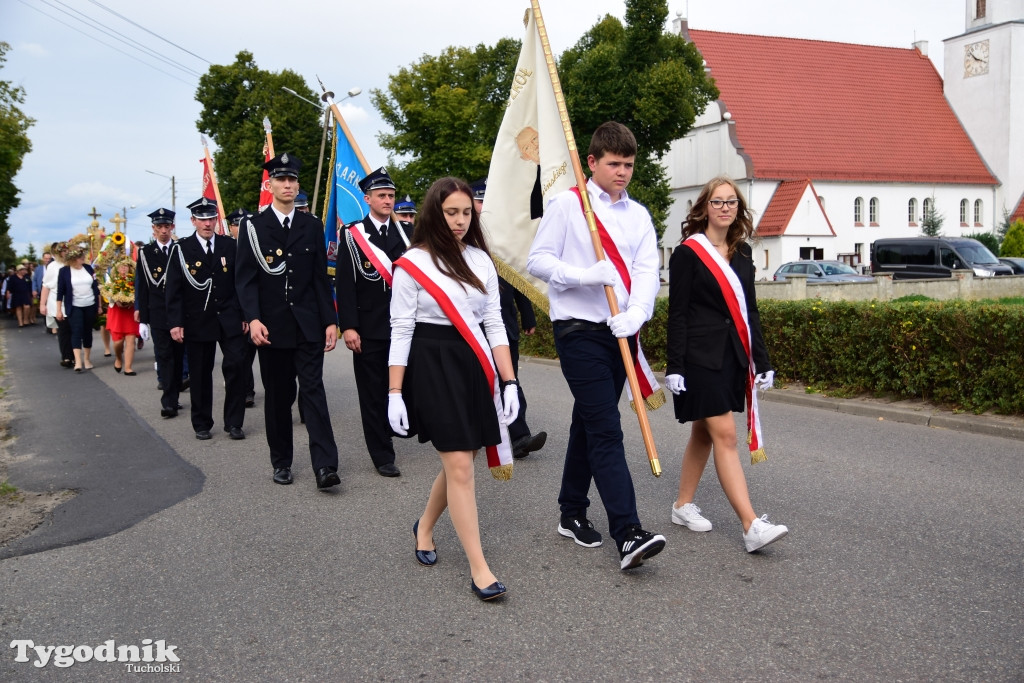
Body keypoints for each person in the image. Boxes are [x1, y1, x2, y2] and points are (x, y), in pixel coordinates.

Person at [526, 121, 666, 571]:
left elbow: (647, 270)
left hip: (620, 332)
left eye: (628, 164)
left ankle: (571, 510)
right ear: (592, 162)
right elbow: (538, 260)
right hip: (578, 330)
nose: (622, 172)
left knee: (589, 424)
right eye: (614, 164)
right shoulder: (569, 205)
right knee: (607, 429)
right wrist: (585, 275)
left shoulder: (639, 215)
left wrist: (639, 312)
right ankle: (628, 532)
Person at [387, 176, 519, 601]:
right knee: (460, 465)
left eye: (466, 212)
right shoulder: (413, 263)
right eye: (451, 213)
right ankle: (479, 568)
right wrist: (394, 392)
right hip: (431, 363)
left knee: (462, 461)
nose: (460, 220)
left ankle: (424, 525)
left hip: (473, 363)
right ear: (434, 213)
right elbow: (401, 329)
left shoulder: (482, 261)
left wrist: (509, 380)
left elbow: (495, 323)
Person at [665, 175, 789, 553]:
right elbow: (678, 314)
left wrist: (761, 360)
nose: (724, 208)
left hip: (733, 356)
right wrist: (674, 365)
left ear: (738, 208)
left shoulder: (744, 252)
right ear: (704, 208)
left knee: (704, 433)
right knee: (727, 436)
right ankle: (751, 525)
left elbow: (749, 311)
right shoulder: (687, 253)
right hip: (699, 359)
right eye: (717, 202)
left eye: (731, 202)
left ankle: (682, 505)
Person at [235, 152, 340, 489]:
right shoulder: (253, 227)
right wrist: (252, 319)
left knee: (313, 394)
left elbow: (319, 279)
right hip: (272, 328)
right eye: (281, 179)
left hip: (308, 324)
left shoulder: (311, 225)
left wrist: (330, 321)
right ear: (270, 185)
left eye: (292, 179)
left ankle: (325, 466)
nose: (288, 185)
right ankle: (281, 461)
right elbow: (245, 279)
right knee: (279, 397)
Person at [335, 167, 413, 477]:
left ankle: (400, 424)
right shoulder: (353, 235)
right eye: (382, 196)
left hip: (404, 325)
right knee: (371, 391)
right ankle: (382, 454)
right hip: (368, 328)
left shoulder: (407, 233)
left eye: (391, 196)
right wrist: (349, 326)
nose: (388, 200)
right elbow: (345, 284)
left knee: (404, 385)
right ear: (367, 199)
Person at [472, 179, 546, 459]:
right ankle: (478, 431)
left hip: (503, 324)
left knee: (508, 378)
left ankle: (520, 436)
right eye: (479, 201)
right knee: (478, 382)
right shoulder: (461, 236)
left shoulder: (503, 238)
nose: (483, 208)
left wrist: (527, 315)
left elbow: (516, 278)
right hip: (471, 327)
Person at [166, 197, 249, 441]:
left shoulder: (229, 246)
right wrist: (175, 322)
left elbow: (240, 283)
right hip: (197, 319)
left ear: (216, 220)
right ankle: (202, 422)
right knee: (200, 373)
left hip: (230, 317)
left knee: (236, 366)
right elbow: (173, 289)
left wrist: (245, 314)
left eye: (211, 218)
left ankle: (234, 422)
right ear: (193, 221)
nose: (207, 223)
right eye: (201, 219)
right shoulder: (181, 249)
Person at [136, 208, 185, 419]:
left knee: (178, 356)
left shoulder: (180, 249)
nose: (163, 231)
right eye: (159, 227)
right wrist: (142, 317)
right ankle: (168, 401)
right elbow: (142, 286)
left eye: (167, 226)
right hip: (157, 314)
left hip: (180, 314)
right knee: (164, 356)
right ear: (153, 229)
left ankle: (174, 395)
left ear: (172, 227)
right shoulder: (145, 253)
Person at [226, 207, 257, 407]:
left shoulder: (255, 244)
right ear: (231, 227)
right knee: (241, 354)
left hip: (253, 309)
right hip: (234, 310)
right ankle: (247, 390)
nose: (240, 227)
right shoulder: (227, 247)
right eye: (236, 224)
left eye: (242, 223)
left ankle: (248, 387)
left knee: (251, 352)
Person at [55, 242, 101, 372]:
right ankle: (78, 361)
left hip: (90, 305)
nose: (84, 258)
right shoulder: (64, 271)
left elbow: (95, 288)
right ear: (74, 258)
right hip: (75, 306)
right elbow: (60, 292)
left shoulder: (88, 268)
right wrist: (59, 310)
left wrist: (99, 305)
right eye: (81, 256)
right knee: (76, 331)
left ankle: (87, 359)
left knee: (87, 331)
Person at [103, 256, 140, 376]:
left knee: (131, 339)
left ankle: (128, 367)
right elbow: (107, 294)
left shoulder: (134, 280)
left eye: (126, 266)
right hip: (117, 312)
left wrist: (131, 301)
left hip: (130, 311)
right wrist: (115, 299)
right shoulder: (112, 280)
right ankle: (118, 358)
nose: (123, 268)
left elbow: (139, 293)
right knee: (118, 341)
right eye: (121, 266)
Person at [40, 242, 72, 363]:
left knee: (73, 330)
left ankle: (74, 355)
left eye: (67, 251)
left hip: (72, 302)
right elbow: (46, 286)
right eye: (63, 251)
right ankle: (67, 357)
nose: (65, 253)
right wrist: (42, 304)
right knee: (63, 330)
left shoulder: (72, 264)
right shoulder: (53, 266)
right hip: (56, 302)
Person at [32, 252, 50, 326]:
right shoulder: (38, 269)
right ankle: (46, 323)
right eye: (46, 258)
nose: (47, 260)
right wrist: (34, 289)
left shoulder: (54, 268)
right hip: (41, 291)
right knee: (43, 307)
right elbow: (35, 280)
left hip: (51, 291)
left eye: (49, 258)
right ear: (43, 259)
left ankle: (52, 325)